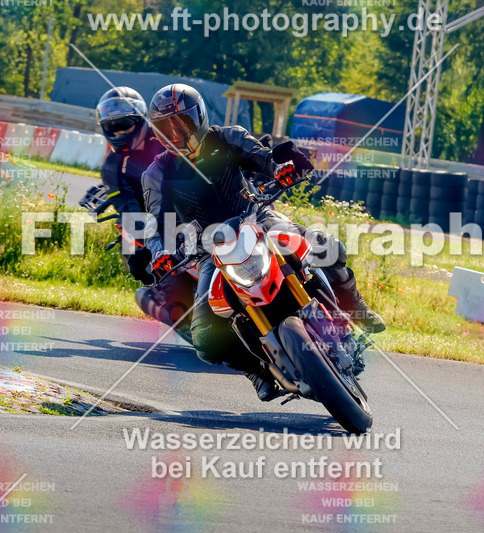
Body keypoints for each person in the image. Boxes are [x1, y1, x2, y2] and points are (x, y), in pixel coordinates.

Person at [141, 83, 384, 401]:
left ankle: (355, 308)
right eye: (165, 128)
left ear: (198, 116)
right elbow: (153, 226)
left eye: (180, 124)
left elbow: (265, 159)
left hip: (258, 218)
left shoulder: (227, 137)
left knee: (326, 247)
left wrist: (284, 169)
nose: (174, 135)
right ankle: (257, 371)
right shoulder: (156, 174)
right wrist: (159, 252)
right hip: (209, 250)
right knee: (205, 340)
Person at [79, 86, 195, 335]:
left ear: (140, 120)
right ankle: (176, 307)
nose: (119, 132)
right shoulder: (113, 167)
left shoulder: (168, 139)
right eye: (112, 127)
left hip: (193, 210)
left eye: (124, 124)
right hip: (154, 224)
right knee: (137, 254)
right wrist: (148, 238)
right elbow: (127, 209)